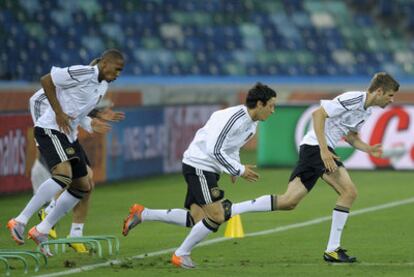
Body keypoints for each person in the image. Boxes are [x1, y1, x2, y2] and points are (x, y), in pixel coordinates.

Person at [227, 72, 399, 263]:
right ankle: (333, 250)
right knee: (349, 192)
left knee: (288, 202)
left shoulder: (366, 111)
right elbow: (318, 114)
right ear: (379, 91)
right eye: (390, 95)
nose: (391, 100)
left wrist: (368, 148)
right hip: (317, 148)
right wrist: (324, 150)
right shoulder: (354, 98)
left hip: (313, 148)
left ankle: (233, 209)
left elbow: (350, 137)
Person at [122, 83, 277, 268]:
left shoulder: (252, 125)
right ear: (259, 104)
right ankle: (181, 254)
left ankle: (142, 213)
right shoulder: (234, 118)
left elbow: (232, 146)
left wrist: (234, 167)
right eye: (271, 106)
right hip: (199, 165)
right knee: (217, 216)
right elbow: (214, 150)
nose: (273, 111)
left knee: (196, 219)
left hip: (208, 168)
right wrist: (239, 170)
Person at [7, 49, 125, 256]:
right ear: (105, 64)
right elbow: (46, 80)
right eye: (117, 69)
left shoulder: (102, 85)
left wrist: (94, 119)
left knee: (83, 186)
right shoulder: (83, 72)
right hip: (50, 128)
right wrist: (59, 113)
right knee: (63, 176)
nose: (118, 75)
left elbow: (78, 107)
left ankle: (42, 229)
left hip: (68, 134)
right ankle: (19, 221)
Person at [29, 88, 123, 253]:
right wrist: (94, 118)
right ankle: (48, 213)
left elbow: (78, 113)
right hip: (50, 143)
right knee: (71, 177)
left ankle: (75, 235)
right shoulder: (42, 97)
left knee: (88, 183)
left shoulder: (78, 92)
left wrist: (93, 120)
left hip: (68, 139)